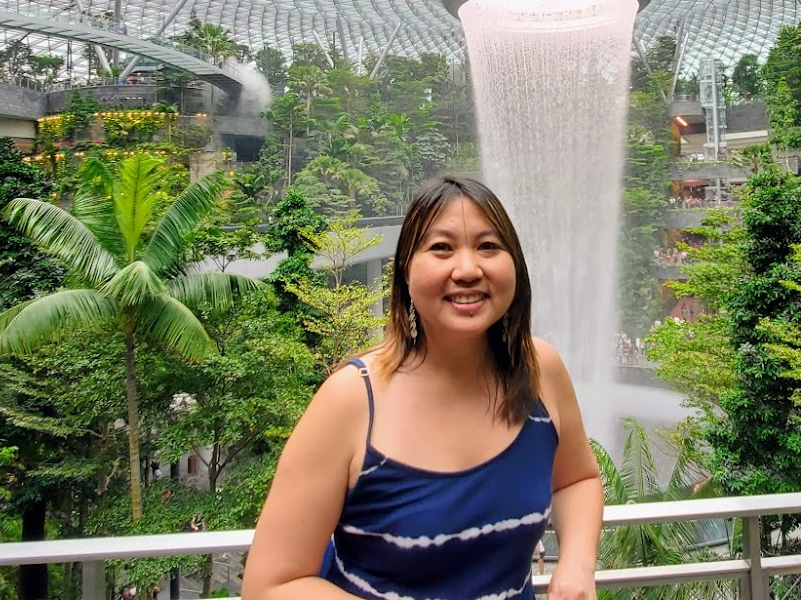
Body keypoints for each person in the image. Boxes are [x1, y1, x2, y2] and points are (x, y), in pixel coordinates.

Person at [242, 176, 602, 600]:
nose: (468, 270)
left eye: (488, 246)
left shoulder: (541, 370)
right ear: (405, 273)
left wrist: (577, 565)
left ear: (515, 267)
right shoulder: (351, 400)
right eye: (441, 248)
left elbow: (576, 479)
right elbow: (271, 584)